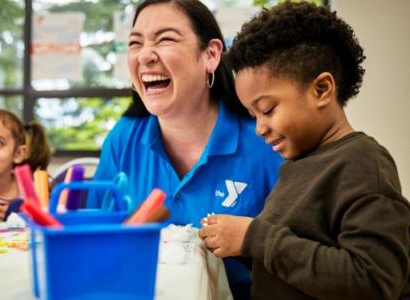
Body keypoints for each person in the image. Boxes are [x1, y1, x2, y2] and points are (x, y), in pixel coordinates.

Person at [198, 2, 410, 299]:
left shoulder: (363, 163)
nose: (259, 128)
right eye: (253, 115)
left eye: (267, 109)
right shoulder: (298, 166)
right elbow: (299, 259)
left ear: (321, 89)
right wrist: (240, 245)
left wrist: (256, 237)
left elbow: (373, 280)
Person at [87, 0, 283, 297]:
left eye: (165, 39)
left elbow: (299, 256)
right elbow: (94, 237)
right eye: (135, 43)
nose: (145, 55)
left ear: (211, 55)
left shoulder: (265, 139)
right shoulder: (124, 136)